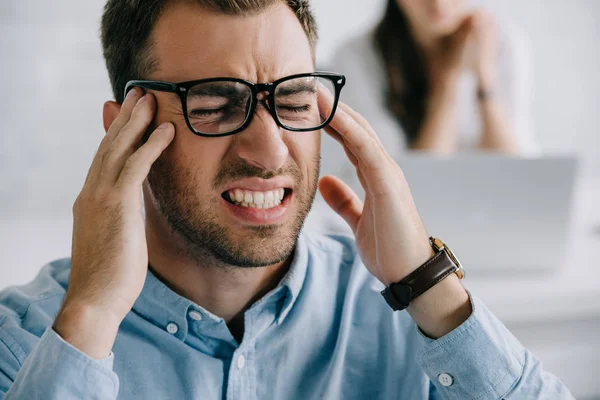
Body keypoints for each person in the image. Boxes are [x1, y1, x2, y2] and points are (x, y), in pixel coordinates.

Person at [0, 0, 572, 399]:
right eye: (215, 104)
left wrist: (425, 278)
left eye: (293, 101)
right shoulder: (26, 340)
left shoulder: (407, 314)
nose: (270, 149)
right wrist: (93, 315)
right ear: (126, 130)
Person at [320, 0, 539, 187]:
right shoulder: (356, 58)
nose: (438, 2)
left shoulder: (504, 43)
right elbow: (405, 187)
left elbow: (516, 177)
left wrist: (485, 76)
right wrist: (449, 79)